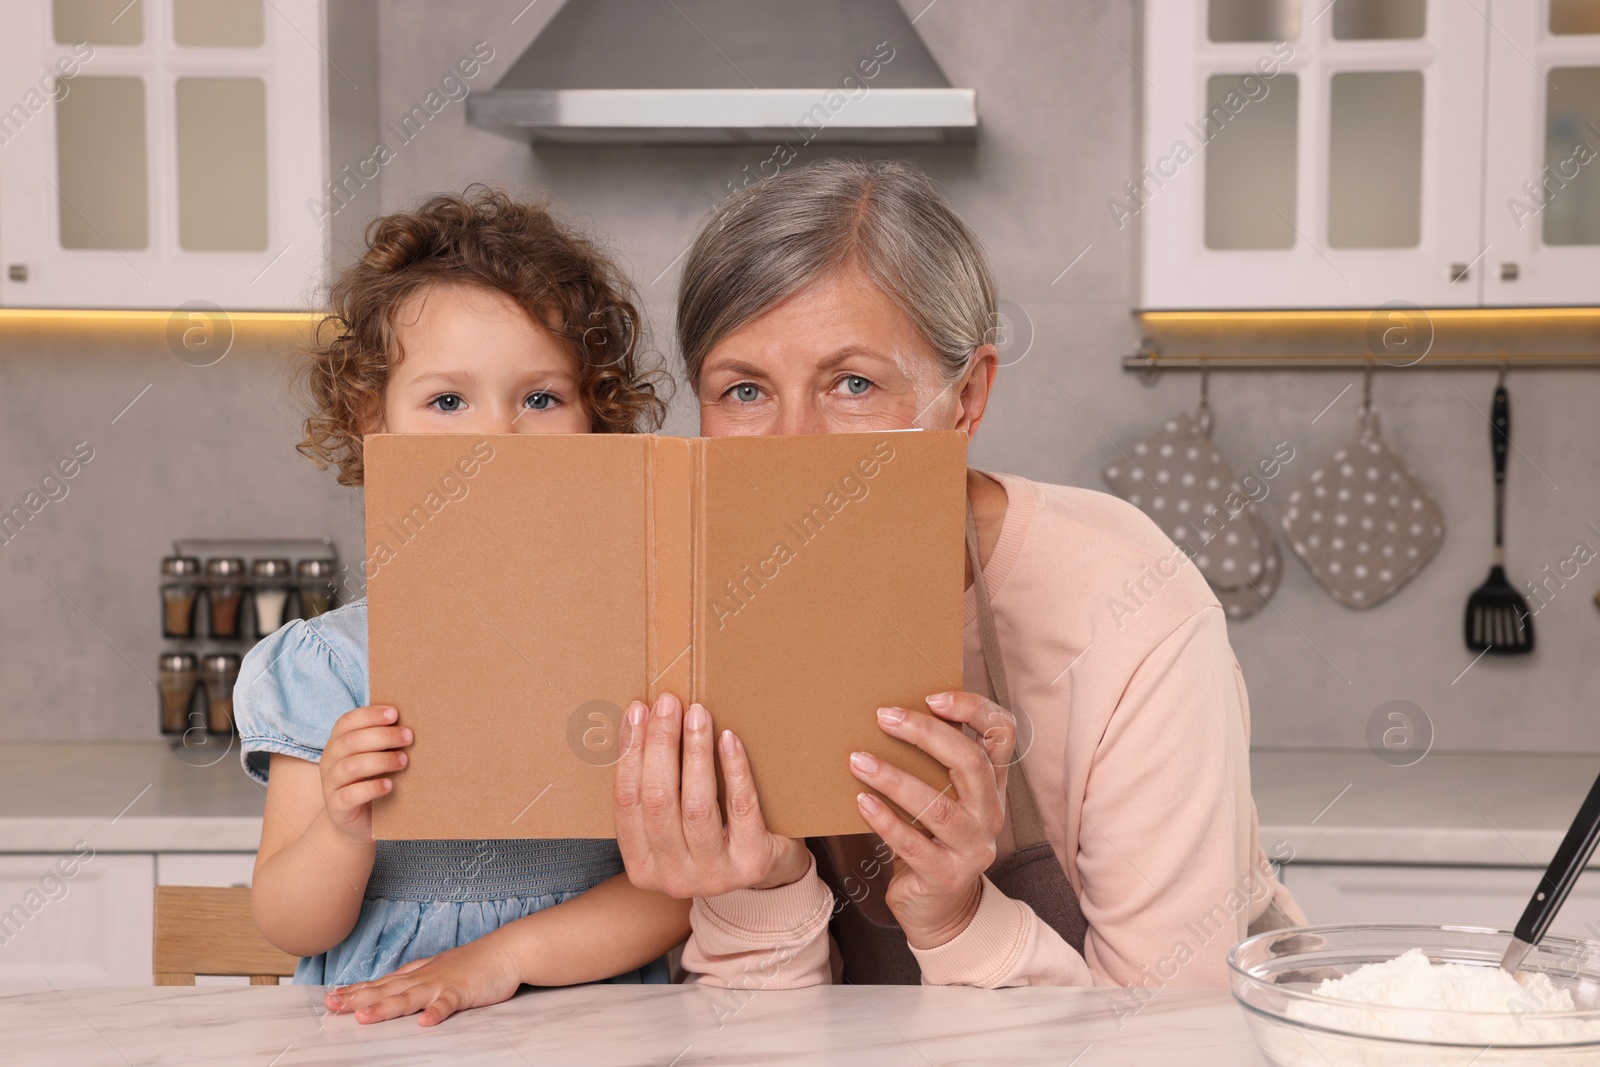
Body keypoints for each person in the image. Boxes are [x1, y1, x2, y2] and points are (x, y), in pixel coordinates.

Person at [613, 159, 1304, 990]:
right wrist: (762, 888)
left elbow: (1162, 1033)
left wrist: (962, 921)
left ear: (967, 396)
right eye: (745, 390)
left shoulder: (1135, 606)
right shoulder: (689, 608)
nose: (794, 445)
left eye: (854, 382)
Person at [235, 186, 690, 1025]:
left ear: (598, 420)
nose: (497, 440)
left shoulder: (649, 641)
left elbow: (677, 894)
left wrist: (502, 956)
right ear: (374, 423)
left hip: (590, 1022)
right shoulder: (332, 664)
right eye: (448, 401)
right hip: (386, 1028)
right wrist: (341, 825)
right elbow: (287, 922)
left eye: (541, 398)